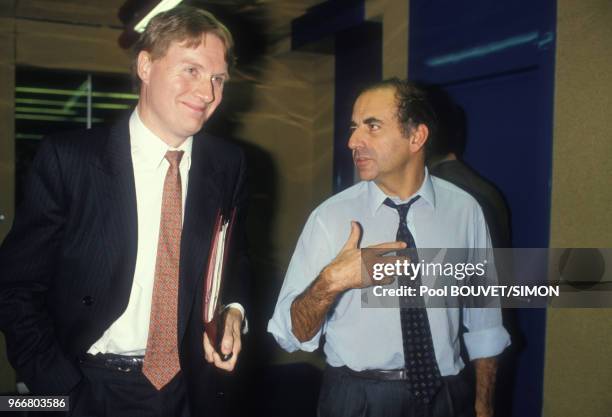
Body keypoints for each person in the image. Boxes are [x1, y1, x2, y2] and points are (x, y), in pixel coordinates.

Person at [0, 6, 248, 417]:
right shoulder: (71, 160)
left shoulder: (228, 165)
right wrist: (60, 389)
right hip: (86, 385)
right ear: (146, 66)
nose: (207, 93)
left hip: (188, 389)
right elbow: (14, 288)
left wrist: (234, 310)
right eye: (191, 70)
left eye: (217, 78)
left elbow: (235, 255)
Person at [268, 78, 510, 417]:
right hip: (358, 397)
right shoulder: (330, 217)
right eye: (354, 128)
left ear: (416, 137)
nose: (353, 141)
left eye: (373, 127)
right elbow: (291, 334)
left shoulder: (464, 210)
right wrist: (331, 281)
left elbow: (485, 320)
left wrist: (484, 406)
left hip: (448, 394)